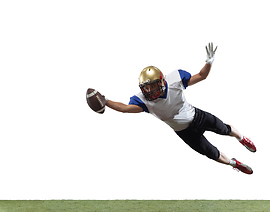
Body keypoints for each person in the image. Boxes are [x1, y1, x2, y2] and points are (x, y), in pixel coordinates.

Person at [104, 43, 256, 174]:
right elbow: (124, 108)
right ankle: (234, 164)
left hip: (197, 116)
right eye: (146, 87)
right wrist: (104, 101)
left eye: (152, 86)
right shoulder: (143, 101)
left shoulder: (175, 79)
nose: (149, 91)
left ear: (162, 81)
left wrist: (209, 62)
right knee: (212, 154)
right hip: (185, 132)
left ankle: (242, 138)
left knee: (224, 129)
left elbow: (202, 76)